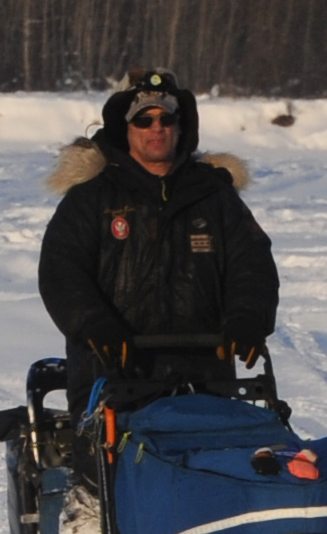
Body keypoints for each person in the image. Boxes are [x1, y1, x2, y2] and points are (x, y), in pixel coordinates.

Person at [39, 68, 278, 396]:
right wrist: (93, 325)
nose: (157, 128)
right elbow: (61, 271)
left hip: (206, 383)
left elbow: (252, 265)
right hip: (112, 380)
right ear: (125, 128)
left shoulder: (215, 197)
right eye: (143, 120)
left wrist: (248, 318)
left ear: (181, 127)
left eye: (166, 119)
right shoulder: (91, 198)